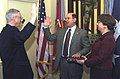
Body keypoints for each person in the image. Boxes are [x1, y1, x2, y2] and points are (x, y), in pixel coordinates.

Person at [43, 13, 90, 79]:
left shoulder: (82, 33)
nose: (66, 20)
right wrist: (46, 27)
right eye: (65, 18)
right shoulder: (60, 31)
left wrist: (79, 53)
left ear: (74, 19)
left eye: (68, 18)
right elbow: (50, 38)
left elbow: (87, 47)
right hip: (62, 62)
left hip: (75, 64)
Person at [0, 3, 37, 79]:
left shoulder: (4, 31)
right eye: (20, 18)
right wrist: (33, 19)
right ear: (15, 18)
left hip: (10, 71)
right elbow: (21, 37)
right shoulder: (11, 31)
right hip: (17, 73)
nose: (21, 21)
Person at [75, 14, 116, 79]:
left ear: (105, 25)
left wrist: (85, 62)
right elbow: (94, 52)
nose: (97, 24)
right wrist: (85, 57)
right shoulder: (102, 36)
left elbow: (101, 57)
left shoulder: (109, 39)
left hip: (103, 72)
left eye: (99, 22)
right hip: (97, 69)